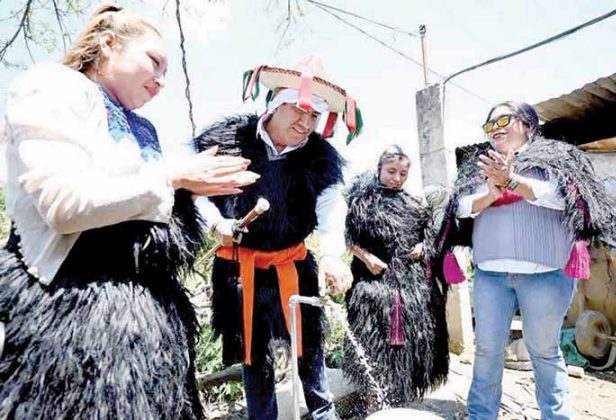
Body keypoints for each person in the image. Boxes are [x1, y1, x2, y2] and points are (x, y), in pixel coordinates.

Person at [0, 4, 257, 418]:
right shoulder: (52, 87)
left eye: (166, 73)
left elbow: (151, 198)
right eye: (153, 62)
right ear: (108, 44)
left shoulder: (142, 127)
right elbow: (63, 204)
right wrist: (174, 176)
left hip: (148, 327)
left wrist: (198, 198)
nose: (161, 81)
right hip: (78, 318)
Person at [193, 56, 360, 420]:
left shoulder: (319, 158)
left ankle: (323, 414)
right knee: (254, 357)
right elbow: (195, 192)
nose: (306, 123)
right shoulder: (227, 142)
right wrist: (216, 225)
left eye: (314, 115)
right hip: (241, 271)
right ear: (275, 105)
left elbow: (331, 205)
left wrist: (331, 256)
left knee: (309, 348)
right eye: (299, 110)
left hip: (292, 265)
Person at [438, 101, 616, 420]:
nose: (495, 129)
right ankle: (481, 415)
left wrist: (511, 180)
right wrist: (491, 193)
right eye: (489, 125)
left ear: (527, 124)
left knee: (543, 351)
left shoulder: (557, 157)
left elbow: (564, 198)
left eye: (503, 120)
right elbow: (459, 207)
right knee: (487, 351)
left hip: (545, 275)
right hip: (490, 276)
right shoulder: (479, 164)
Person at [343, 145, 449, 410]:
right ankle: (374, 403)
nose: (397, 178)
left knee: (408, 349)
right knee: (374, 345)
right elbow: (348, 237)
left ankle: (400, 402)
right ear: (379, 169)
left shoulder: (413, 203)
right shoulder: (362, 201)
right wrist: (366, 257)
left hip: (410, 288)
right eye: (391, 171)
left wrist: (424, 246)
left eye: (403, 173)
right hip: (373, 287)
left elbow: (430, 234)